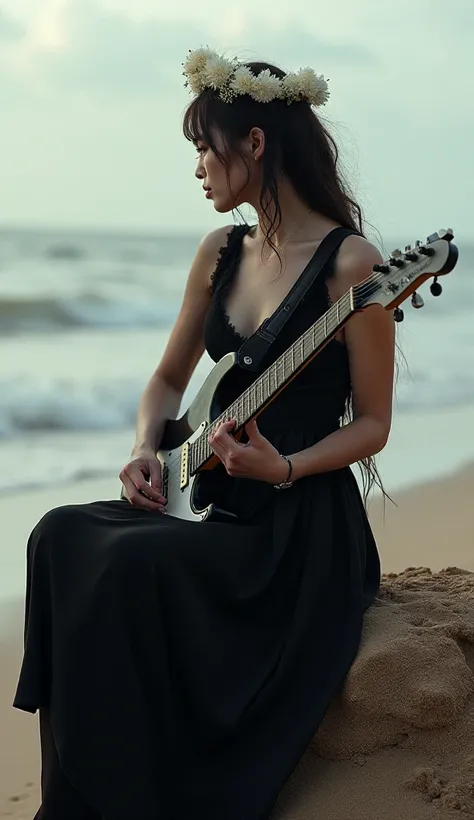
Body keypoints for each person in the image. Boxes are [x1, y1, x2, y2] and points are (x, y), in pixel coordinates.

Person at [14, 49, 395, 820]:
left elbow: (376, 425)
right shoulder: (219, 253)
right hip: (212, 503)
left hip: (296, 530)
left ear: (254, 144)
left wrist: (283, 467)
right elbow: (165, 380)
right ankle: (75, 800)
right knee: (56, 535)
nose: (196, 169)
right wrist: (143, 452)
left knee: (126, 568)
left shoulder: (353, 265)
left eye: (202, 146)